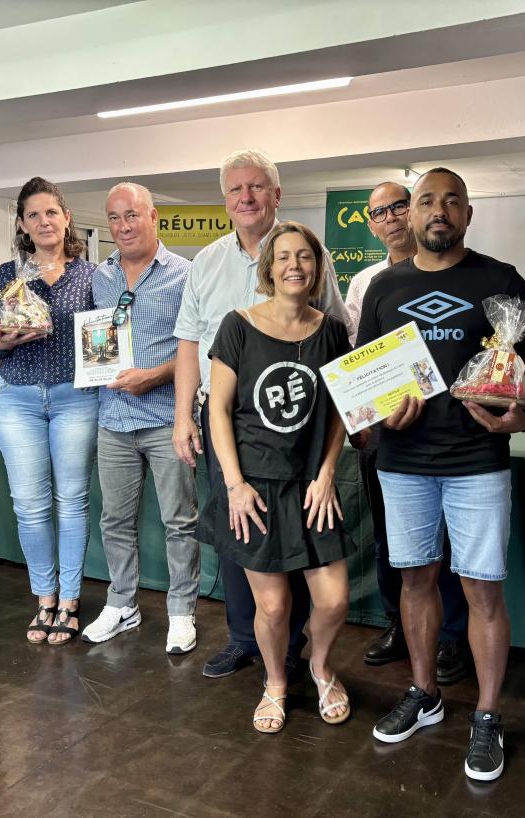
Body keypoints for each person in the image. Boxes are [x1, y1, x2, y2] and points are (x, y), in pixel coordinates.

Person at [357, 168, 525, 781]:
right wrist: (378, 416)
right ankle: (425, 694)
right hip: (404, 461)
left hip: (476, 460)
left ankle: (488, 715)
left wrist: (521, 410)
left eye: (451, 201)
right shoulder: (385, 287)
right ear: (409, 217)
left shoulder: (499, 280)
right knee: (415, 580)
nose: (438, 211)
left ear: (468, 214)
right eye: (425, 202)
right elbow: (364, 378)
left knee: (481, 589)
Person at [173, 149, 348, 679]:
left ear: (276, 195)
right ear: (226, 200)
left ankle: (291, 646)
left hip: (300, 428)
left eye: (256, 188)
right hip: (227, 420)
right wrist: (184, 415)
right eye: (235, 190)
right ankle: (245, 639)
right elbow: (188, 343)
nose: (245, 198)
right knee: (239, 530)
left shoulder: (314, 261)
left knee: (300, 542)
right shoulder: (207, 262)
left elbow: (339, 342)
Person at [199, 221, 354, 732]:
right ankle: (275, 683)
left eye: (305, 257)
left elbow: (338, 414)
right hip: (255, 487)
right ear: (269, 268)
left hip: (311, 484)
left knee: (333, 599)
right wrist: (234, 484)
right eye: (283, 257)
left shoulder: (332, 331)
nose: (294, 265)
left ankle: (320, 665)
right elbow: (218, 410)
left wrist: (328, 471)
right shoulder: (237, 325)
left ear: (317, 267)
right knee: (273, 603)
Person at [344, 182, 471, 680]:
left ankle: (453, 636)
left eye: (402, 205)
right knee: (389, 540)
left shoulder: (461, 271)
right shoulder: (366, 284)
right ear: (372, 226)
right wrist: (365, 419)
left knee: (451, 545)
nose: (393, 217)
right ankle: (401, 624)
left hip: (455, 438)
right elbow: (358, 360)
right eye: (381, 212)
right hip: (388, 437)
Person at [80, 182, 200, 654]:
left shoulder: (186, 274)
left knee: (178, 521)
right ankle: (122, 604)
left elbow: (199, 349)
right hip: (113, 418)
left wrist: (156, 375)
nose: (123, 226)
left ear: (154, 218)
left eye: (132, 215)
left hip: (169, 418)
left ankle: (182, 611)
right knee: (115, 520)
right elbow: (97, 342)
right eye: (113, 218)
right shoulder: (100, 277)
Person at [0, 177, 98, 646]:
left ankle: (70, 601)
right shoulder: (6, 276)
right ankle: (44, 598)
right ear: (22, 224)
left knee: (71, 502)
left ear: (66, 217)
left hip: (75, 398)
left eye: (51, 212)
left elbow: (108, 341)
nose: (44, 221)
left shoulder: (94, 276)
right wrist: (5, 340)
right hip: (17, 400)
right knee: (29, 507)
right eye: (33, 215)